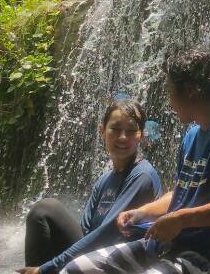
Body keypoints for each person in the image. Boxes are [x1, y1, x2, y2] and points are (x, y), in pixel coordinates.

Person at [53, 48, 210, 274]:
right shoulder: (192, 135)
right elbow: (182, 192)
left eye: (170, 91)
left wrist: (180, 220)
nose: (169, 102)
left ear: (190, 91)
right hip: (163, 247)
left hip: (207, 261)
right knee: (75, 269)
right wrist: (143, 212)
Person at [19, 99, 163, 274]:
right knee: (43, 212)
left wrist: (46, 269)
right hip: (95, 257)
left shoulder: (142, 176)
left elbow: (106, 234)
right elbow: (86, 231)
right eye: (116, 129)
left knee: (46, 207)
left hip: (122, 261)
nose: (123, 137)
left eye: (131, 131)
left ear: (140, 135)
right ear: (102, 130)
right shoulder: (105, 179)